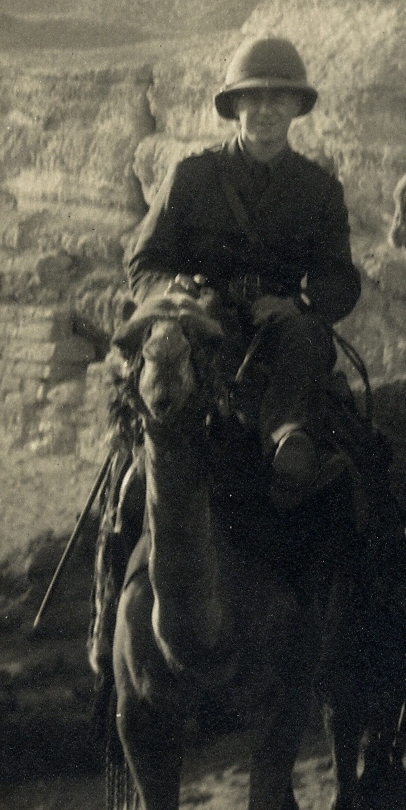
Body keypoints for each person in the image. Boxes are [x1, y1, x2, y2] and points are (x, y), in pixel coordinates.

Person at [126, 35, 364, 501]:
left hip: (280, 329)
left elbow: (340, 278)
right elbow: (143, 262)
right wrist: (174, 291)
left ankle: (287, 441)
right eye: (252, 98)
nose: (265, 110)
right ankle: (133, 503)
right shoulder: (191, 177)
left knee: (307, 339)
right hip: (202, 323)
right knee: (153, 424)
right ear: (235, 107)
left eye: (279, 98)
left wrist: (299, 303)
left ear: (296, 107)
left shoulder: (319, 190)